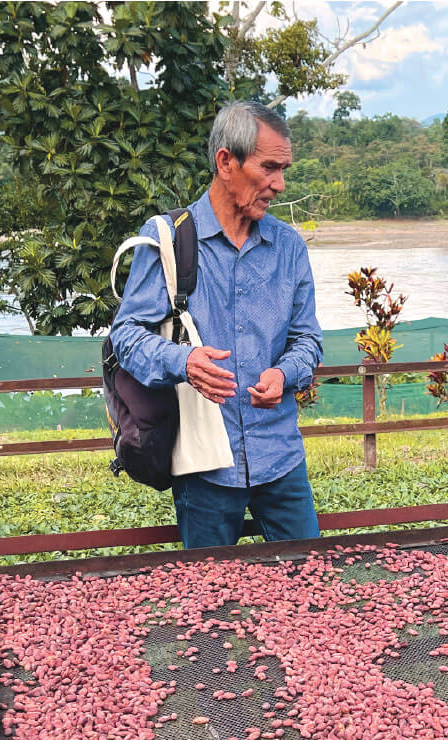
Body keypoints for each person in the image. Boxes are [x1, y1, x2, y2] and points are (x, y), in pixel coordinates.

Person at [109, 102, 323, 549]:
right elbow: (125, 336)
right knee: (211, 601)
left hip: (280, 457)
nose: (279, 185)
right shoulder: (168, 238)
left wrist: (285, 374)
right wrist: (184, 361)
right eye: (268, 168)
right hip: (205, 464)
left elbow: (307, 339)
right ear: (227, 162)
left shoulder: (288, 248)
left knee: (310, 584)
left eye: (284, 170)